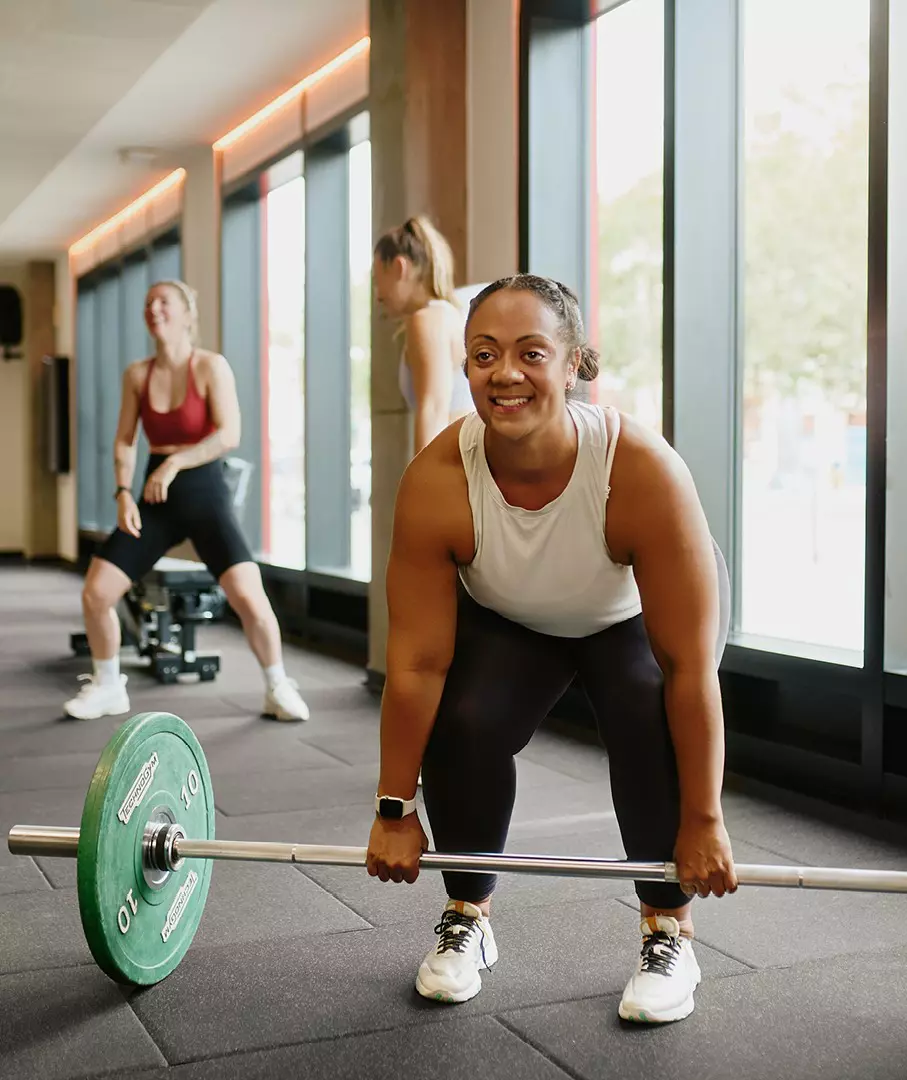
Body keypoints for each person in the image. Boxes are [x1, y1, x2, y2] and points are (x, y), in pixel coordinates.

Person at [365, 274, 737, 1025]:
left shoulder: (639, 469)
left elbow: (690, 668)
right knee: (464, 719)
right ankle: (468, 915)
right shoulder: (438, 481)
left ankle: (669, 930)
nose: (505, 373)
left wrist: (703, 817)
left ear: (574, 366)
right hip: (514, 618)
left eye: (531, 353)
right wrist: (395, 806)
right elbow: (415, 664)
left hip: (625, 615)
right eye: (484, 354)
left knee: (644, 710)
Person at [64, 280, 310, 724]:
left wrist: (175, 462)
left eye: (163, 302)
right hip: (153, 501)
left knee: (247, 596)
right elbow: (124, 442)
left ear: (187, 314)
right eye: (147, 303)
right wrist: (122, 492)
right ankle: (107, 686)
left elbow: (229, 434)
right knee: (97, 592)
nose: (153, 309)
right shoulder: (137, 375)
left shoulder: (211, 367)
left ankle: (277, 685)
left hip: (204, 494)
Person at [373, 215, 473, 455]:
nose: (378, 294)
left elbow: (433, 411)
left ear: (399, 267)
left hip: (452, 466)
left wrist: (421, 488)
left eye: (378, 278)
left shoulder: (427, 320)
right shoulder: (449, 314)